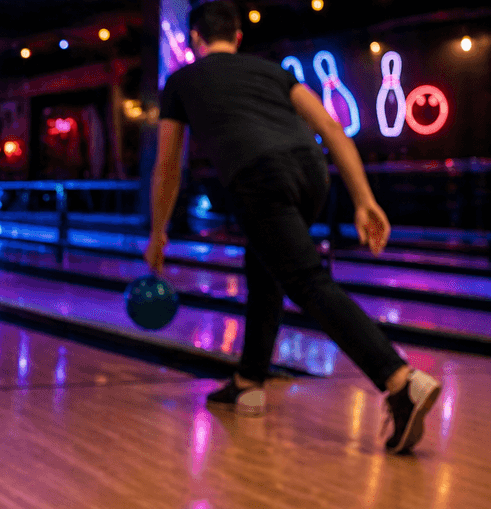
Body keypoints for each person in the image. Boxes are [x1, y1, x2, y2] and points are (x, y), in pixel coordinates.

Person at [147, 0, 441, 454]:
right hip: (312, 173)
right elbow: (332, 127)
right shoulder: (272, 72)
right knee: (265, 266)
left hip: (258, 176)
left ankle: (400, 381)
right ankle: (249, 381)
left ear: (193, 41)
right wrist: (364, 200)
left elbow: (167, 165)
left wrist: (157, 232)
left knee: (304, 278)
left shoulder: (181, 81)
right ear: (239, 37)